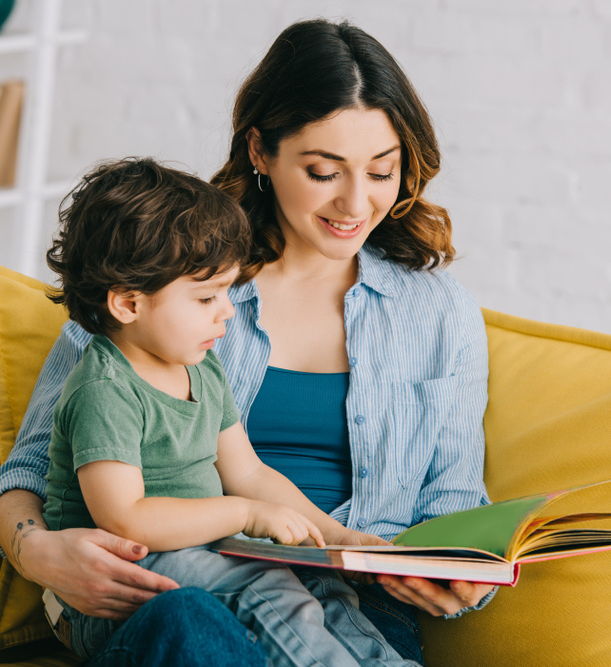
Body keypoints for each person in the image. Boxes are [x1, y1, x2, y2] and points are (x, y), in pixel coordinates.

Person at [0, 17, 494, 665]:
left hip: (353, 599)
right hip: (168, 588)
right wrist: (38, 549)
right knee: (191, 622)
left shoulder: (437, 311)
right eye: (322, 170)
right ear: (260, 151)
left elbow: (452, 498)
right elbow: (26, 472)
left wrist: (462, 574)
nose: (355, 202)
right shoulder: (155, 281)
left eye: (381, 171)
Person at [40, 156, 415, 666]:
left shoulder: (201, 368)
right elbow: (126, 518)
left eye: (227, 291)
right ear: (128, 304)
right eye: (205, 297)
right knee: (262, 589)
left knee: (318, 592)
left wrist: (333, 535)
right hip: (120, 588)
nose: (228, 310)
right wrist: (245, 514)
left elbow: (249, 472)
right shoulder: (105, 389)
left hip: (200, 556)